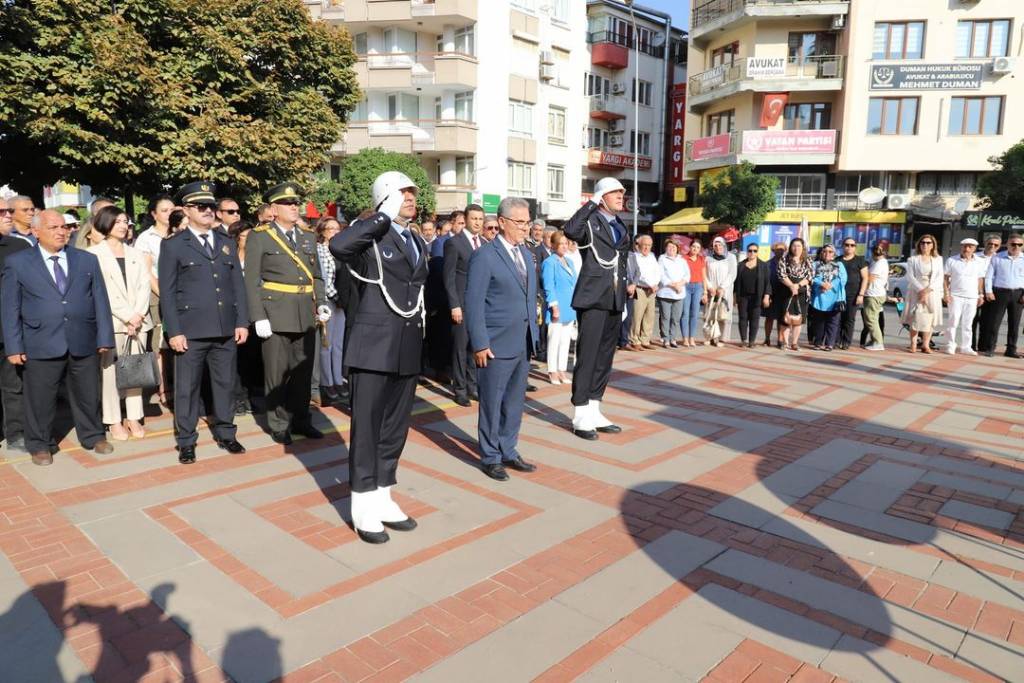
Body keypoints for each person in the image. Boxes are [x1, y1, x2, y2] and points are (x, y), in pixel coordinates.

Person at [330, 172, 426, 543]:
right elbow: (339, 246)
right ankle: (362, 504)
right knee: (367, 430)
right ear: (385, 197)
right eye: (403, 193)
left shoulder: (414, 238)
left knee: (394, 429)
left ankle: (384, 494)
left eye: (413, 194)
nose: (412, 199)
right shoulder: (371, 234)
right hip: (372, 347)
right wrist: (380, 217)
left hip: (406, 344)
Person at [1, 210, 115, 465]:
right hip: (40, 341)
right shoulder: (18, 262)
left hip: (82, 338)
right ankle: (40, 443)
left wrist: (105, 337)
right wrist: (13, 346)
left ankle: (93, 434)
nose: (61, 232)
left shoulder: (86, 260)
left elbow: (100, 300)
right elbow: (10, 308)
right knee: (40, 398)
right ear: (36, 231)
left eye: (64, 227)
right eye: (53, 227)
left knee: (87, 392)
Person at [158, 182, 249, 464]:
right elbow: (168, 292)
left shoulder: (225, 242)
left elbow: (237, 286)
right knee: (187, 388)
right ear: (187, 210)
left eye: (211, 206)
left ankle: (226, 432)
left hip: (224, 327)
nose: (208, 211)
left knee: (225, 384)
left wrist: (242, 321)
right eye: (201, 207)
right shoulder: (174, 245)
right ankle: (186, 440)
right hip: (191, 330)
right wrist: (174, 330)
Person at [245, 182, 330, 445]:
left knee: (303, 373)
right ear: (273, 208)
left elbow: (317, 275)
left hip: (305, 312)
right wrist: (258, 315)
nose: (294, 207)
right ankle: (279, 424)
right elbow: (251, 280)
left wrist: (322, 302)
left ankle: (302, 420)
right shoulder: (260, 236)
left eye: (296, 203)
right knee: (276, 373)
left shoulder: (307, 236)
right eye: (287, 204)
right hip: (275, 313)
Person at [464, 197, 539, 482]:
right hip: (495, 344)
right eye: (520, 222)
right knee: (492, 403)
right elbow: (474, 302)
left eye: (528, 221)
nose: (525, 227)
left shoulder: (526, 254)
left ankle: (508, 449)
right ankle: (490, 456)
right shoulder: (485, 255)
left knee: (514, 402)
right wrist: (480, 343)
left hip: (522, 342)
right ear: (503, 222)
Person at [562, 177, 630, 440]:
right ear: (601, 196)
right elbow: (570, 229)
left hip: (614, 297)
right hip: (592, 297)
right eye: (615, 193)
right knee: (588, 356)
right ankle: (580, 414)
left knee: (605, 358)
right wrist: (590, 202)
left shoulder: (619, 224)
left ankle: (594, 408)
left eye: (622, 193)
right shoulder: (590, 220)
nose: (620, 197)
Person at [88, 206, 152, 440]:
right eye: (118, 222)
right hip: (112, 321)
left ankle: (133, 416)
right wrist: (127, 315)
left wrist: (137, 315)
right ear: (106, 224)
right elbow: (101, 291)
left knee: (136, 369)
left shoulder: (134, 253)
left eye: (126, 221)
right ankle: (113, 419)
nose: (124, 226)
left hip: (138, 322)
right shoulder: (93, 254)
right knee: (110, 372)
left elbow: (144, 286)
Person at [135, 194, 175, 407]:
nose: (169, 214)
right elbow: (147, 271)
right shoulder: (146, 238)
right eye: (164, 210)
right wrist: (163, 293)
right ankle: (163, 387)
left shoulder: (181, 233)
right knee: (160, 343)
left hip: (181, 293)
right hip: (157, 292)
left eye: (172, 209)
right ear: (154, 214)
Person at [444, 204, 484, 406]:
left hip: (479, 305)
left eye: (480, 219)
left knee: (475, 346)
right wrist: (454, 305)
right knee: (460, 348)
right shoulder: (454, 243)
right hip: (461, 304)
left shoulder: (484, 243)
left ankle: (472, 385)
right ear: (466, 220)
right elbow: (449, 277)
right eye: (474, 218)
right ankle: (459, 389)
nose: (477, 222)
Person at [0, 199, 30, 453]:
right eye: (2, 212)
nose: (8, 215)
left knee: (13, 385)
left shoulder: (19, 247)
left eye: (9, 210)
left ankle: (16, 433)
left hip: (11, 331)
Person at [316, 216, 348, 407]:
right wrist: (337, 298)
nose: (335, 232)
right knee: (326, 344)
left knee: (338, 344)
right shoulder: (320, 250)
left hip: (341, 302)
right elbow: (323, 279)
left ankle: (338, 379)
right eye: (331, 229)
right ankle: (327, 382)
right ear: (322, 231)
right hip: (327, 301)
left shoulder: (342, 251)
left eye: (337, 229)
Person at [541, 230, 578, 384]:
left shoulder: (569, 261)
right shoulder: (549, 262)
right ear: (554, 245)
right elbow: (549, 286)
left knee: (565, 341)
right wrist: (554, 306)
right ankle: (552, 371)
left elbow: (574, 284)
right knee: (554, 340)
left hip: (570, 306)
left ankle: (562, 370)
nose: (564, 246)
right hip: (557, 306)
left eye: (565, 243)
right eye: (560, 243)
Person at [980, 233, 1024, 358]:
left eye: (1019, 244)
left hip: (1018, 294)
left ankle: (1011, 349)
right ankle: (990, 348)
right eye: (1013, 244)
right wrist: (988, 291)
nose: (1016, 247)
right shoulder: (997, 258)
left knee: (1014, 323)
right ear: (1008, 244)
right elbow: (989, 276)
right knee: (994, 322)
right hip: (1000, 292)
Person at [902, 235, 944, 354]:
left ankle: (926, 344)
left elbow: (939, 277)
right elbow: (910, 276)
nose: (925, 245)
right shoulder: (913, 259)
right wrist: (921, 290)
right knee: (915, 317)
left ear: (933, 245)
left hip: (931, 291)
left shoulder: (938, 259)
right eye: (923, 243)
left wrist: (927, 290)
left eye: (928, 243)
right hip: (916, 290)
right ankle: (914, 343)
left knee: (929, 318)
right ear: (919, 245)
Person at [944, 238, 985, 356]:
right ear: (961, 247)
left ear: (974, 248)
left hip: (972, 297)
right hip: (955, 295)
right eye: (965, 246)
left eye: (970, 247)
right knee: (953, 321)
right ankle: (950, 345)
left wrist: (980, 294)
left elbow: (980, 279)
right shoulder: (952, 260)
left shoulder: (979, 262)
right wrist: (946, 293)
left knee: (968, 323)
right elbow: (945, 278)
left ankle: (966, 347)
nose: (967, 249)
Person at [808, 244, 847, 351]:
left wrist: (830, 285)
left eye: (830, 252)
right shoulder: (815, 264)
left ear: (834, 254)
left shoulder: (839, 265)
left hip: (834, 297)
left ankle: (830, 343)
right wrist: (822, 284)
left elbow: (842, 279)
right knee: (818, 322)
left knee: (833, 322)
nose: (827, 253)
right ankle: (818, 342)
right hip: (819, 295)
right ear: (821, 253)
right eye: (825, 251)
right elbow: (811, 277)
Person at [776, 237, 813, 351]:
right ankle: (785, 342)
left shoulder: (808, 260)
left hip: (802, 292)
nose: (796, 248)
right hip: (786, 291)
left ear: (803, 248)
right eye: (794, 246)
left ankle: (794, 343)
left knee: (798, 319)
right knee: (785, 318)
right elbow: (781, 275)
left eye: (799, 246)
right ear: (790, 247)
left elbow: (810, 276)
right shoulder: (784, 259)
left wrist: (798, 285)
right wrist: (791, 286)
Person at [626, 235, 659, 350]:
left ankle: (645, 339)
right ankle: (634, 339)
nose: (646, 247)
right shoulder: (635, 256)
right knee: (637, 316)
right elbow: (639, 274)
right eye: (644, 245)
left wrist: (655, 284)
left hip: (652, 290)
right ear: (638, 245)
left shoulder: (652, 256)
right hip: (640, 288)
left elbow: (657, 271)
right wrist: (650, 284)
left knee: (649, 316)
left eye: (649, 245)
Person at [734, 243, 769, 348]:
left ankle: (752, 341)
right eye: (750, 250)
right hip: (743, 296)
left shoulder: (763, 265)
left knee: (755, 319)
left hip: (757, 296)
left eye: (755, 251)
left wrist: (766, 296)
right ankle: (744, 340)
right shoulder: (740, 265)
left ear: (758, 252)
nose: (752, 253)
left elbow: (767, 283)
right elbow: (736, 283)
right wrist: (735, 297)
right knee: (743, 318)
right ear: (747, 252)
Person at [704, 236, 738, 345]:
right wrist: (709, 287)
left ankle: (722, 338)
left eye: (720, 245)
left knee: (723, 314)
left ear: (724, 245)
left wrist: (722, 287)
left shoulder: (731, 257)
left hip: (725, 290)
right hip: (712, 290)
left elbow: (732, 274)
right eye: (715, 245)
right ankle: (711, 336)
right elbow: (705, 275)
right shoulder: (708, 258)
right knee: (711, 313)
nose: (718, 247)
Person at [656, 240, 688, 348]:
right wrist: (674, 285)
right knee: (665, 317)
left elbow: (687, 275)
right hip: (665, 292)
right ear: (666, 248)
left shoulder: (682, 260)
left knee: (676, 318)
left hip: (679, 293)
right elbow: (661, 275)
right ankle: (665, 339)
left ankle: (673, 338)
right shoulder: (662, 258)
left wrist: (680, 284)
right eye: (669, 247)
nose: (671, 249)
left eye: (673, 247)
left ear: (677, 249)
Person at [837, 239, 868, 350]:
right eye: (847, 245)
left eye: (852, 245)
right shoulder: (837, 260)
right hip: (839, 294)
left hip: (854, 294)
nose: (849, 247)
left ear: (855, 247)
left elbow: (865, 278)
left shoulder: (860, 260)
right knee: (838, 318)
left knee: (849, 319)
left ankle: (846, 341)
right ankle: (837, 340)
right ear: (843, 246)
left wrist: (861, 294)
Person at [972, 235, 1001, 351]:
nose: (992, 246)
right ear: (985, 243)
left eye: (996, 245)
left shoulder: (1000, 258)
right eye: (990, 243)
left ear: (999, 246)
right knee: (972, 319)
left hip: (991, 291)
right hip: (974, 290)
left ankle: (983, 346)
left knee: (987, 320)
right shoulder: (975, 256)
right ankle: (970, 345)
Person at [862, 243, 889, 351]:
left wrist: (862, 291)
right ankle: (874, 340)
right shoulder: (878, 262)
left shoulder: (879, 263)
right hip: (876, 293)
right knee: (874, 318)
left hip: (873, 294)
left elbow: (870, 278)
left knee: (871, 319)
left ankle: (878, 342)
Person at [679, 239, 705, 348]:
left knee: (695, 313)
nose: (695, 249)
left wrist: (706, 291)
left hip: (698, 286)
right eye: (694, 246)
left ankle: (692, 338)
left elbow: (704, 276)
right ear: (690, 247)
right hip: (686, 286)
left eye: (698, 247)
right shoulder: (683, 258)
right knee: (685, 313)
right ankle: (685, 338)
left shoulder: (701, 259)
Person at [763, 242, 787, 346]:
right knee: (769, 318)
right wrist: (767, 295)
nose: (780, 251)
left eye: (782, 249)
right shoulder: (768, 264)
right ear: (773, 250)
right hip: (771, 294)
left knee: (781, 319)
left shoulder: (787, 263)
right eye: (778, 249)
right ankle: (767, 339)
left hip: (784, 294)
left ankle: (780, 340)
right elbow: (765, 281)